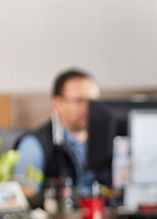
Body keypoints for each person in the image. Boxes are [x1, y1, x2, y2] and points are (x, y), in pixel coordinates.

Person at [13, 69, 102, 207]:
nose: (88, 108)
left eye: (93, 101)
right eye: (79, 101)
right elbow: (24, 199)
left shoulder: (107, 141)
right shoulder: (33, 144)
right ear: (57, 103)